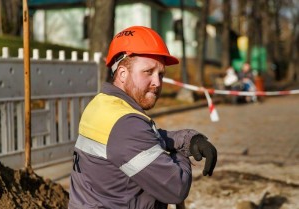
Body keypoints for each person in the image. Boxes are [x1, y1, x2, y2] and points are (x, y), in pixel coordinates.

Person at [69, 26, 217, 209]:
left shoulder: (101, 104)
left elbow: (144, 140)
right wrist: (180, 155)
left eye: (161, 74)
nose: (157, 82)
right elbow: (175, 188)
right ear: (123, 73)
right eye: (148, 72)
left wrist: (188, 139)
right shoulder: (126, 125)